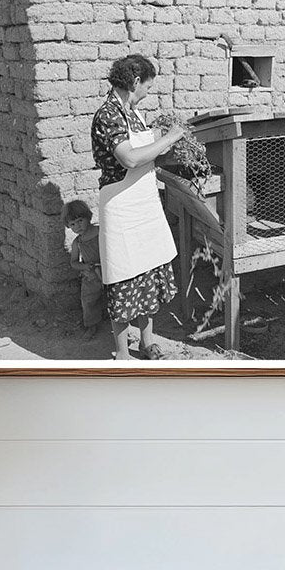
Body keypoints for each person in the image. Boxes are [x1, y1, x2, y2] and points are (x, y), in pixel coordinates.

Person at [90, 54, 184, 361]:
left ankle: (147, 341)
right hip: (121, 203)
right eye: (147, 85)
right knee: (124, 276)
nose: (148, 91)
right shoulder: (108, 115)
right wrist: (168, 138)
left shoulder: (133, 112)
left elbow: (144, 149)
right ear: (134, 82)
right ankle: (122, 353)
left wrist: (161, 137)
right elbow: (129, 158)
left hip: (143, 200)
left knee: (148, 271)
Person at [63, 199, 104, 338]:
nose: (77, 226)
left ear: (88, 217)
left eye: (80, 220)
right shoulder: (77, 243)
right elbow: (73, 262)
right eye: (72, 224)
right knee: (88, 300)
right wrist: (84, 266)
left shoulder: (100, 231)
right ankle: (91, 325)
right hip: (91, 275)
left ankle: (123, 328)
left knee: (114, 298)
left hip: (108, 270)